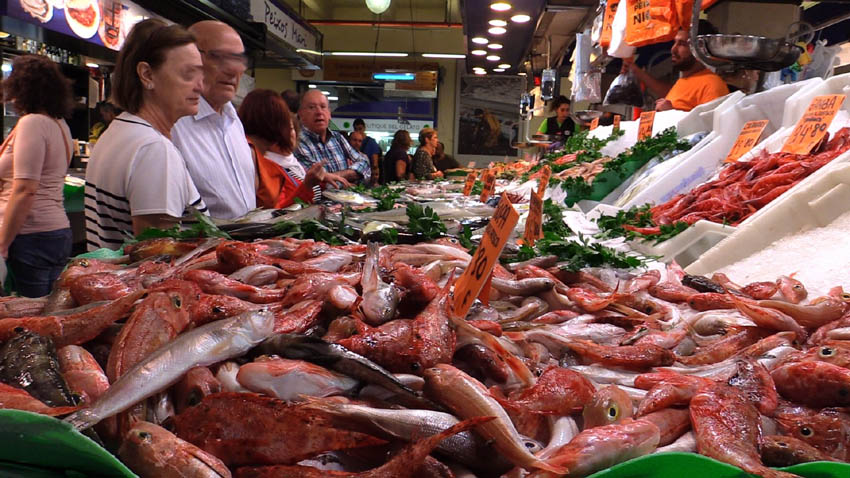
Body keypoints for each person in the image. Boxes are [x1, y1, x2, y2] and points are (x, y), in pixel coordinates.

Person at [85, 19, 207, 251]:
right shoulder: (154, 150)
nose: (200, 86)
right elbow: (155, 261)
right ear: (147, 75)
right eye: (188, 74)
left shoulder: (120, 130)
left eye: (200, 74)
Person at [0, 55, 74, 297]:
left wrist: (2, 244)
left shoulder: (32, 123)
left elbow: (25, 190)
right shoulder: (59, 123)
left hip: (30, 235)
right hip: (55, 232)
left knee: (31, 317)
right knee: (49, 310)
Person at [171, 21, 255, 220]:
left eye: (238, 60)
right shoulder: (172, 124)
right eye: (219, 57)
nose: (233, 70)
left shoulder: (234, 120)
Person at [238, 89, 349, 209]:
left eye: (291, 128)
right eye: (283, 124)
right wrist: (307, 185)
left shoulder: (284, 162)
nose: (290, 134)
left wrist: (322, 179)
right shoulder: (264, 163)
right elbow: (277, 212)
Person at [627, 20, 729, 112]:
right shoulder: (684, 81)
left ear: (700, 49)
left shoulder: (712, 84)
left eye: (682, 44)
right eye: (675, 42)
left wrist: (671, 113)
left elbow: (711, 128)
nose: (673, 49)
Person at [294, 89, 371, 184]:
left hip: (348, 197)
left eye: (323, 107)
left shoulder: (338, 138)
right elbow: (317, 180)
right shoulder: (297, 142)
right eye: (312, 107)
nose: (319, 112)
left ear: (329, 113)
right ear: (301, 114)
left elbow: (365, 163)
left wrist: (332, 176)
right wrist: (353, 173)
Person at [353, 118, 382, 184]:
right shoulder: (353, 142)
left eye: (360, 129)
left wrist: (374, 178)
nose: (358, 131)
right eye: (356, 129)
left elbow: (375, 163)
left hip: (367, 177)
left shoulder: (371, 142)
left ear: (364, 128)